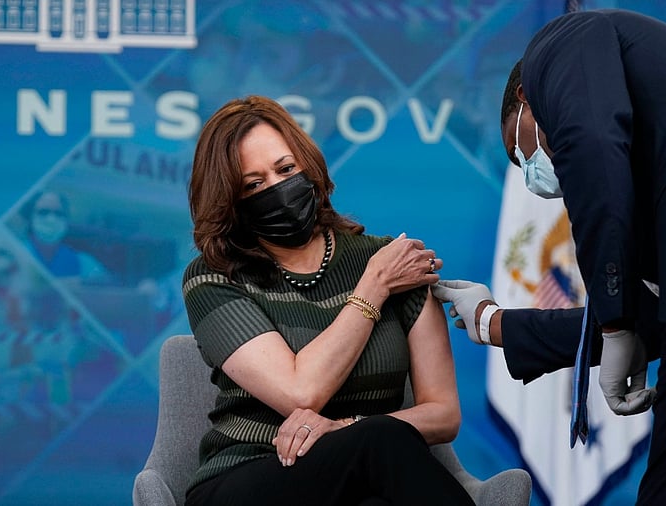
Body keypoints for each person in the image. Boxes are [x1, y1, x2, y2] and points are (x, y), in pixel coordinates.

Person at [433, 8, 666, 505]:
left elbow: (593, 145)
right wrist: (493, 322)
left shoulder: (559, 44)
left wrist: (614, 323)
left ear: (524, 99)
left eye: (517, 153)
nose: (531, 174)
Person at [181, 95, 507, 505]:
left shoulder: (393, 263)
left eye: (285, 169)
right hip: (248, 478)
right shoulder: (215, 276)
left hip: (364, 476)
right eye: (254, 185)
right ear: (230, 200)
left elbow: (443, 415)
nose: (278, 189)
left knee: (377, 463)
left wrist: (351, 427)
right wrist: (372, 287)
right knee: (381, 441)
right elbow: (301, 393)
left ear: (309, 165)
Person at [22, 190, 111, 284]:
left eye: (59, 214)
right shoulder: (16, 252)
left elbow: (106, 281)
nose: (51, 219)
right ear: (29, 218)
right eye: (43, 212)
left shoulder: (80, 260)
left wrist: (73, 283)